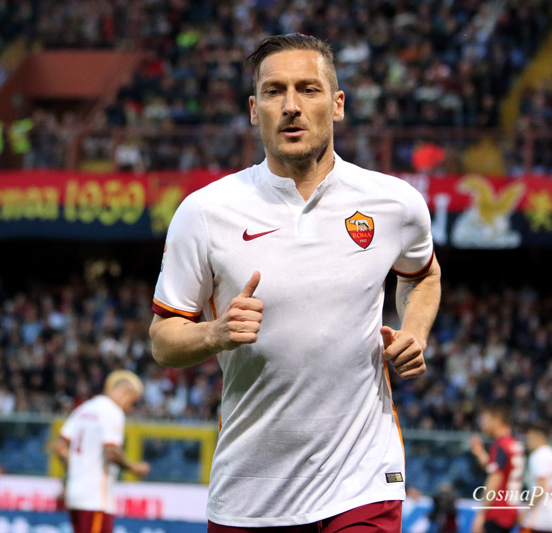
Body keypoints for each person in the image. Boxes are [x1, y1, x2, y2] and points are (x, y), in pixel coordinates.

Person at [149, 34, 441, 532]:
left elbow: (424, 275)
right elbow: (163, 339)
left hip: (363, 483)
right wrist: (213, 333)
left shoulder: (395, 202)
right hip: (251, 493)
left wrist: (414, 330)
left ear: (338, 104)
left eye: (308, 89)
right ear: (252, 108)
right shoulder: (204, 211)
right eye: (273, 91)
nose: (290, 106)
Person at [53, 370, 150, 533]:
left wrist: (70, 477)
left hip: (75, 494)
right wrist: (133, 467)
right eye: (132, 402)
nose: (130, 408)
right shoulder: (112, 411)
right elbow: (111, 451)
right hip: (95, 498)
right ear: (124, 391)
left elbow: (59, 447)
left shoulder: (84, 408)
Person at [470, 402, 525, 533]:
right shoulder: (513, 444)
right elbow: (499, 469)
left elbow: (494, 480)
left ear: (497, 420)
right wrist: (480, 454)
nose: (482, 424)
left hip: (498, 512)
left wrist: (481, 514)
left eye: (485, 419)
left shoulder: (500, 446)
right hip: (510, 509)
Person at [518, 421, 552, 533]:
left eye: (529, 438)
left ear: (539, 437)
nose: (527, 442)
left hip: (539, 517)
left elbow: (541, 487)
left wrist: (526, 509)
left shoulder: (538, 456)